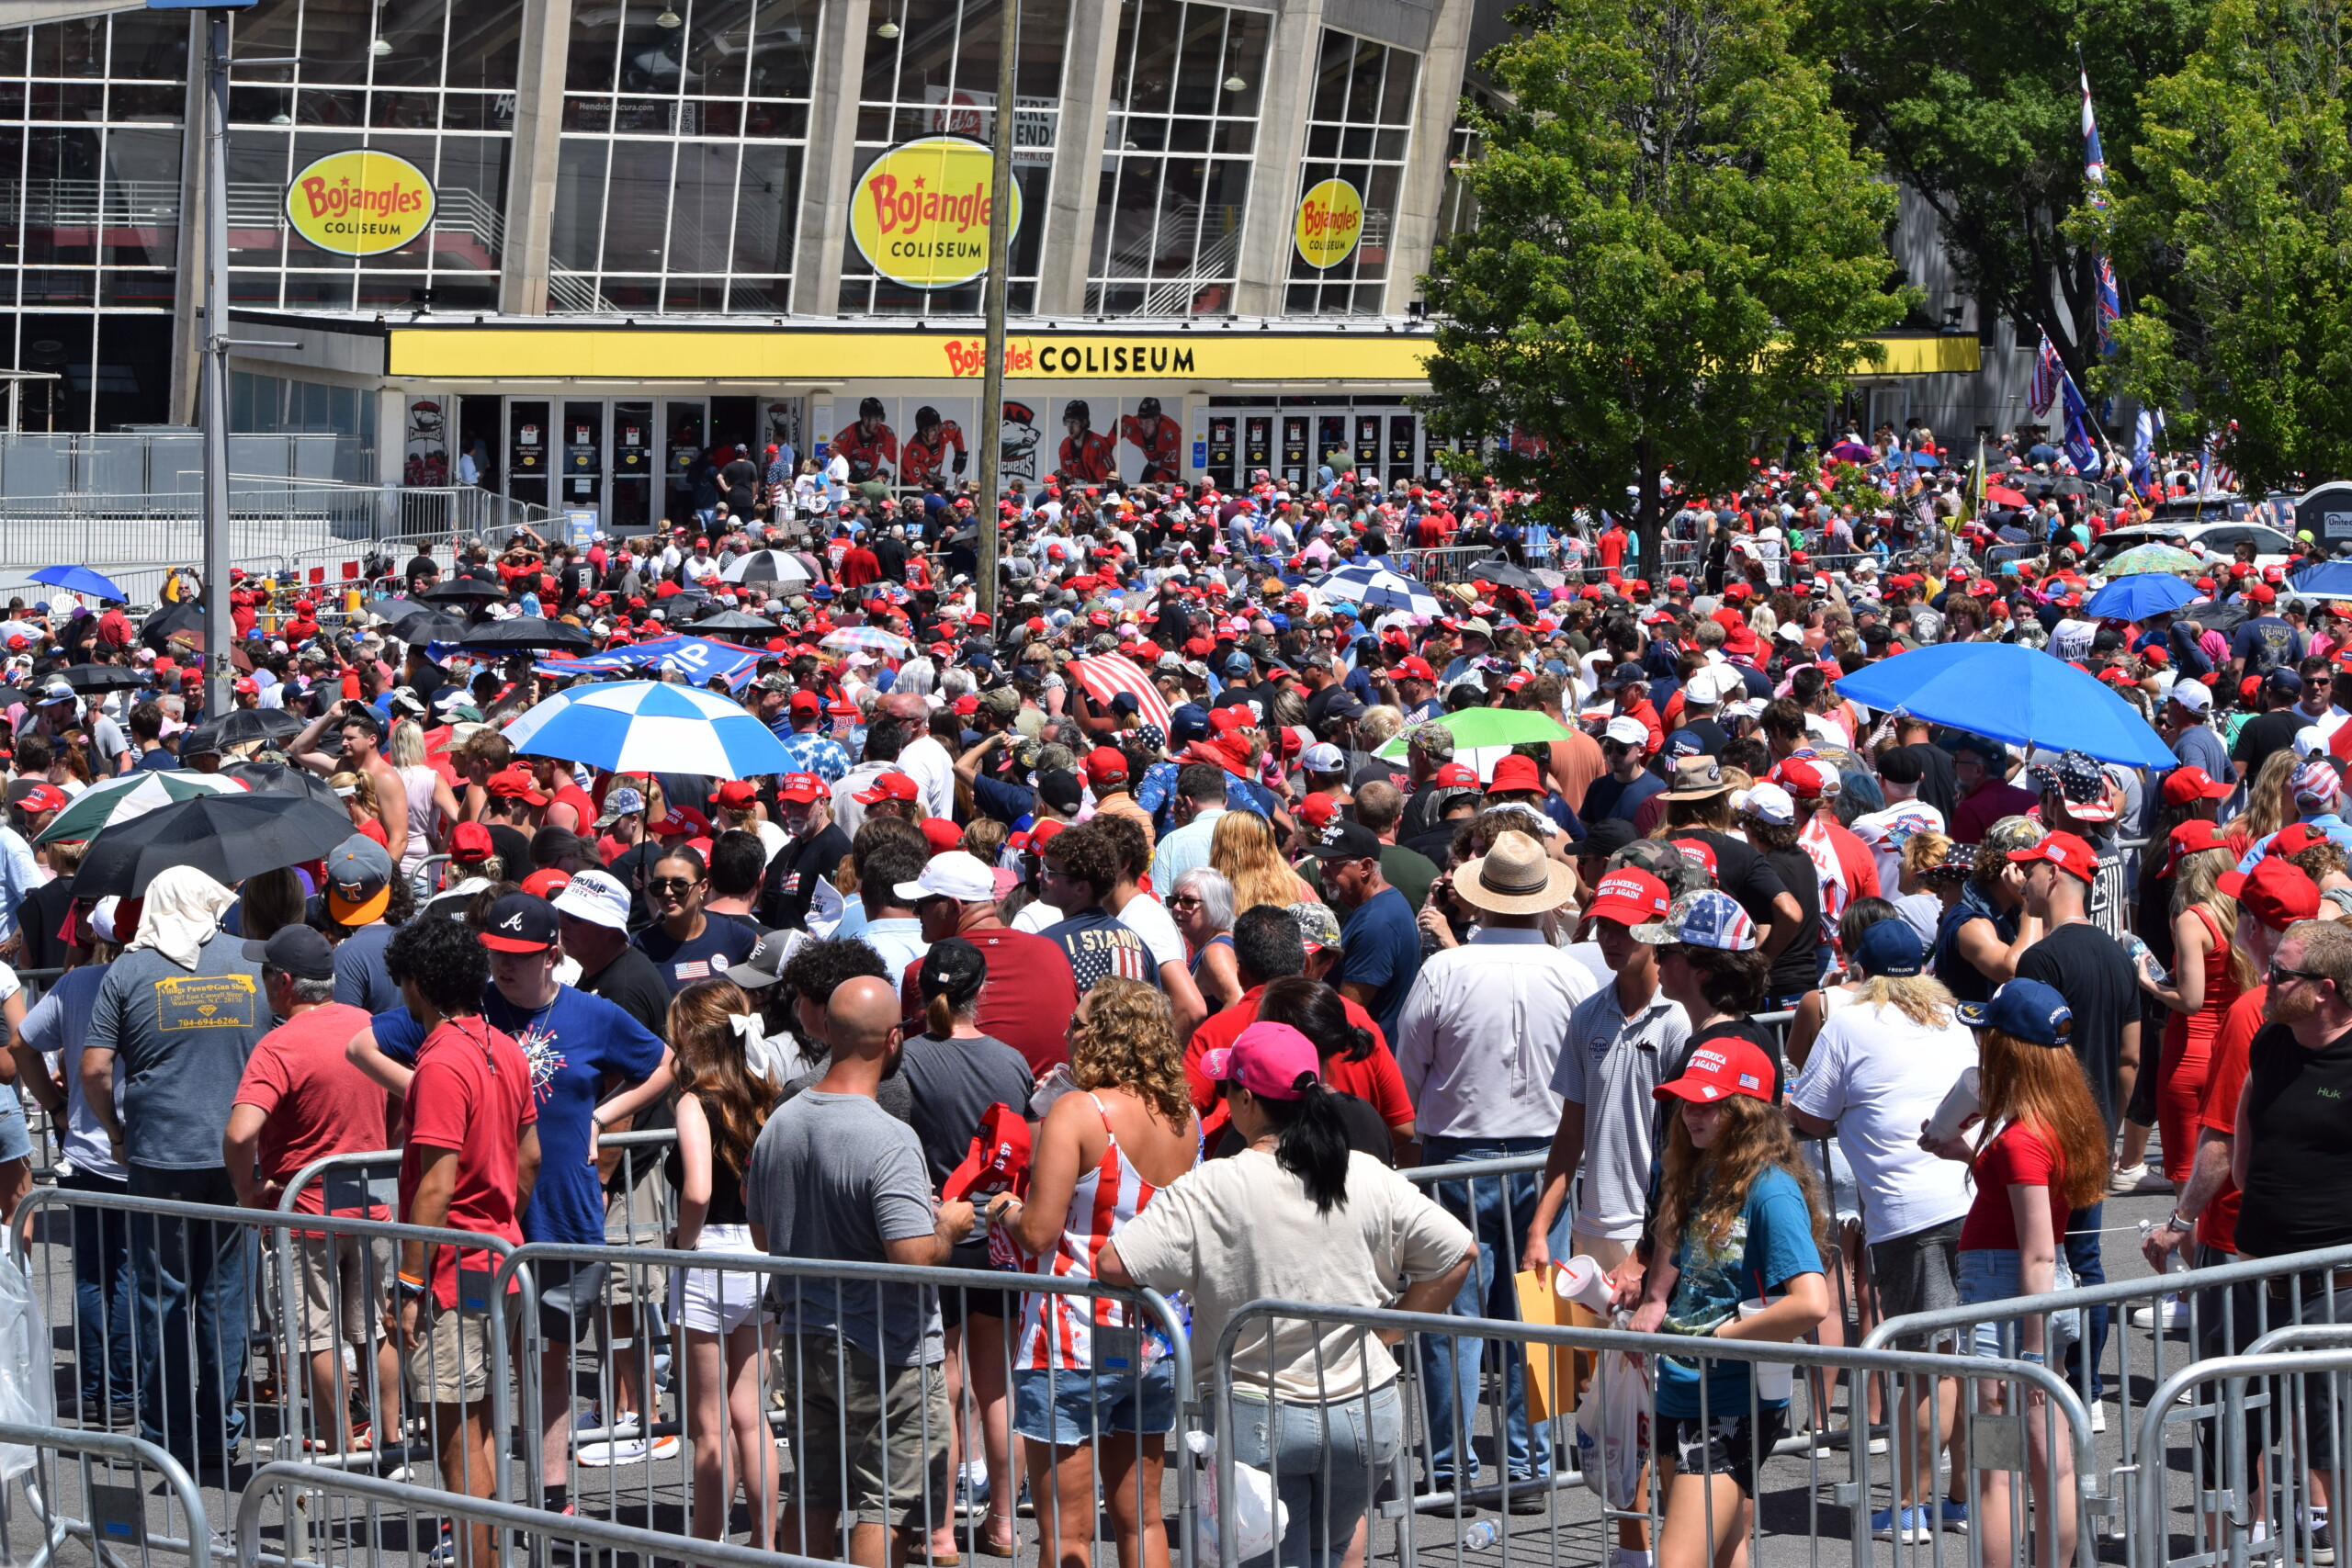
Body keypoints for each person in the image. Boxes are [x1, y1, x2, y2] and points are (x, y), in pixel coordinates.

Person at [1097, 1021, 1477, 1568]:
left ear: (1246, 1101)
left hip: (1257, 1411)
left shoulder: (1215, 1184)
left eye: (1229, 1090)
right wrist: (1390, 1331)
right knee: (1331, 1551)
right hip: (1365, 1410)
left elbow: (1116, 1262)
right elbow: (1461, 1252)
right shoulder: (1366, 1172)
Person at [747, 975, 976, 1568]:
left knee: (816, 1491)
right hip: (886, 1348)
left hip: (804, 1337)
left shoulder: (782, 1121)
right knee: (890, 1505)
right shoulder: (888, 1137)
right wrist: (947, 1225)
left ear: (828, 1030)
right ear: (894, 1038)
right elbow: (910, 1256)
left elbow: (763, 1235)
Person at [1393, 829, 1591, 1499]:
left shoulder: (1446, 971)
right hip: (1541, 1158)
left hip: (1460, 1155)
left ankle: (1454, 1466)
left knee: (1457, 1317)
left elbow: (1408, 1067)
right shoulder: (1570, 973)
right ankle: (1530, 1462)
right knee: (1534, 1305)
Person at [986, 977, 1199, 1568]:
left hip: (1070, 1335)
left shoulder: (1079, 1111)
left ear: (1108, 1033)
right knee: (1143, 1519)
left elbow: (1038, 1231)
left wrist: (1002, 1206)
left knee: (1068, 1535)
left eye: (1077, 1023)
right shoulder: (1187, 1118)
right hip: (1154, 1334)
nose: (1066, 1032)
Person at [1784, 919, 1977, 1540]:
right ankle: (1961, 1496)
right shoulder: (1954, 1020)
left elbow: (1807, 1115)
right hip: (1972, 1196)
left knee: (1927, 1365)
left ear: (1858, 974)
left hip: (1909, 1212)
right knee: (1968, 1359)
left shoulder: (1848, 1021)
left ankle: (1914, 1507)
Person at [79, 866, 271, 1469]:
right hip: (236, 1151)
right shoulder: (252, 960)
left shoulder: (129, 970)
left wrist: (114, 1128)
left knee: (158, 1294)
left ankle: (164, 1431)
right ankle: (220, 1425)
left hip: (158, 1152)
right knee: (226, 1294)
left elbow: (92, 1067)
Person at [1919, 978, 2106, 1568]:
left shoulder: (2024, 1135)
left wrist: (2026, 1349)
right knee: (2048, 1457)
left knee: (1997, 1470)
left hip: (2012, 1300)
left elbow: (2037, 1250)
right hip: (2028, 1296)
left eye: (1988, 1035)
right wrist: (1971, 1156)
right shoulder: (2061, 1118)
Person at [1624, 1034, 1829, 1568]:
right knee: (1725, 1550)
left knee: (1678, 1561)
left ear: (1745, 1113)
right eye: (1688, 1101)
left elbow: (1812, 1302)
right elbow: (1672, 1230)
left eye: (1709, 1104)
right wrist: (1654, 1301)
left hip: (1733, 1398)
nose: (1692, 1114)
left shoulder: (1772, 1190)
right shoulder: (1697, 1169)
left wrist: (1724, 1339)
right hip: (1678, 1389)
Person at [382, 913, 540, 1568]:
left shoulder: (442, 1059)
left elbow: (435, 1185)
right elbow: (528, 1157)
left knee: (458, 1440)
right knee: (478, 1431)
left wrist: (411, 1283)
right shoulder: (503, 1045)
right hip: (498, 1255)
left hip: (456, 1266)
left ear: (418, 982)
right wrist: (501, 1214)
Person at [223, 924, 399, 1457]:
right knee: (373, 1328)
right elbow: (405, 1098)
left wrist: (247, 1189)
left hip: (305, 1210)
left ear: (284, 984)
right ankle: (390, 1442)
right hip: (369, 1203)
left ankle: (339, 1443)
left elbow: (238, 1131)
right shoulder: (370, 1025)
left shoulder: (279, 1045)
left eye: (264, 974)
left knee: (314, 1334)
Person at [899, 940, 1035, 1560]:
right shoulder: (1011, 1060)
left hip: (941, 1230)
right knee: (995, 1386)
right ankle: (1004, 1522)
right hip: (999, 1237)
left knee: (944, 1385)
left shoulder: (908, 1060)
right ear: (983, 991)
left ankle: (941, 1529)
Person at [2009, 829, 2139, 1412]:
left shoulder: (2041, 957)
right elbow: (2130, 1058)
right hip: (2094, 1128)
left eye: (2029, 870)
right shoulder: (2118, 954)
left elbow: (2028, 1051)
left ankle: (2051, 1388)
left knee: (2041, 1259)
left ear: (2055, 875)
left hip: (2047, 1128)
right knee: (2082, 1261)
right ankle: (2086, 1389)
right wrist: (2109, 1121)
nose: (2021, 882)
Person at [664, 976, 783, 1554]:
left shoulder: (695, 1100)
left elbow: (697, 1190)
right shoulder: (768, 1091)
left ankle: (706, 1548)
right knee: (751, 1415)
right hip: (760, 1256)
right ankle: (763, 1540)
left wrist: (679, 1249)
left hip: (708, 1255)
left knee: (710, 1425)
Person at [1309, 819, 1423, 1049]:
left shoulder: (1377, 923)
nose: (1322, 872)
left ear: (1366, 867)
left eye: (1332, 864)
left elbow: (1349, 1011)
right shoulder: (1369, 907)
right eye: (1322, 863)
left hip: (1366, 1059)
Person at [635, 845, 761, 994]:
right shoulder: (641, 946)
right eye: (659, 885)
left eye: (680, 884)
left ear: (703, 886)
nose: (668, 892)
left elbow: (769, 975)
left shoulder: (731, 934)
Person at [1170, 866, 1243, 1015]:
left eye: (1188, 901)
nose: (1177, 907)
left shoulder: (1216, 951)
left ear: (1214, 905)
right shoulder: (1213, 944)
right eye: (1174, 899)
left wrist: (1205, 1037)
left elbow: (1239, 1000)